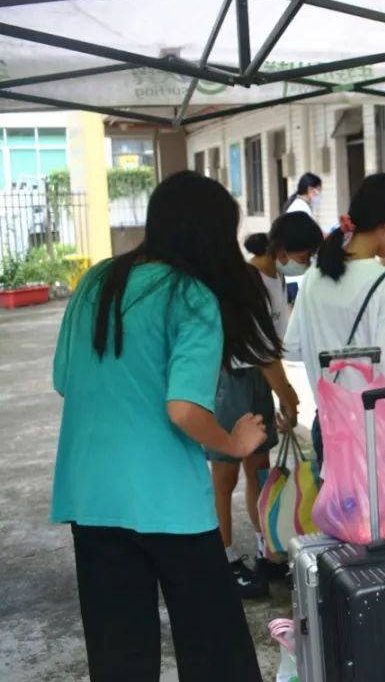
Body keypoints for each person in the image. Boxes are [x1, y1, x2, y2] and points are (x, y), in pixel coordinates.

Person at [52, 171, 275, 681]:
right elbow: (183, 409)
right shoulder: (191, 295)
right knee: (216, 652)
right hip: (169, 503)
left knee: (119, 657)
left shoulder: (96, 281)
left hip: (92, 496)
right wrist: (233, 442)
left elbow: (65, 381)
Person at [284, 173, 385, 468]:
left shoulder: (312, 279)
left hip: (334, 432)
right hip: (383, 444)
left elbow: (294, 347)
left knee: (337, 501)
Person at [208, 211, 322, 599]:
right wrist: (288, 397)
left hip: (257, 380)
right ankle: (224, 559)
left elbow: (271, 350)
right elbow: (261, 350)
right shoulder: (247, 280)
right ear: (281, 250)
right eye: (304, 255)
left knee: (258, 470)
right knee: (224, 476)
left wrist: (282, 393)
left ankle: (266, 549)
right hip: (233, 379)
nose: (307, 262)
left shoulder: (277, 277)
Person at [283, 172, 323, 303]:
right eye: (319, 190)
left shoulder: (301, 206)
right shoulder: (300, 209)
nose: (320, 194)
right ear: (310, 190)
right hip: (297, 274)